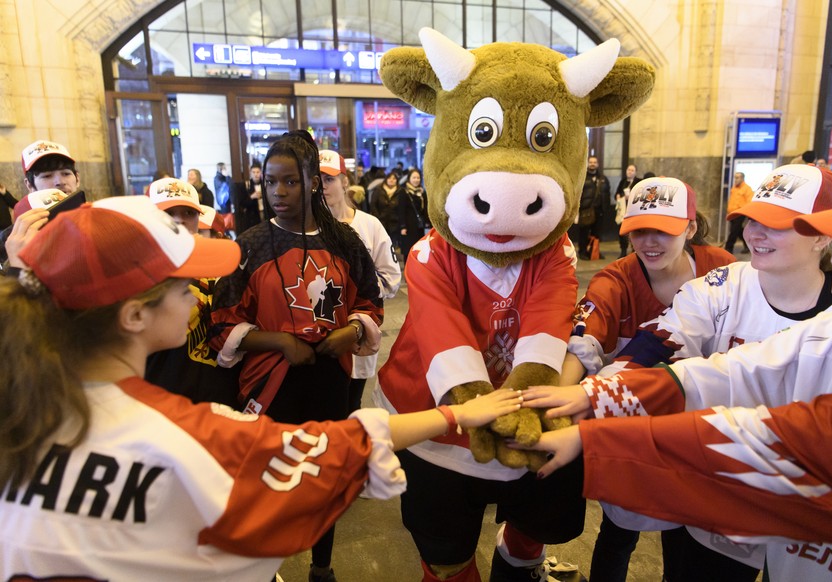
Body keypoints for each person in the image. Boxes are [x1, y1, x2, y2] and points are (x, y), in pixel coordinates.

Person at [0, 194, 524, 580]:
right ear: (134, 314)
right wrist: (458, 415)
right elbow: (343, 448)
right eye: (184, 286)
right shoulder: (182, 439)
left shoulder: (19, 411)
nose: (196, 296)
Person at [526, 165, 832, 582]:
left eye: (776, 225)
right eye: (752, 220)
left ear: (822, 235)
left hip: (820, 515)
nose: (754, 234)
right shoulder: (722, 283)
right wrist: (592, 397)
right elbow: (659, 349)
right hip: (719, 489)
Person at [209, 131, 383, 582]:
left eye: (290, 181)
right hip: (268, 385)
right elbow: (223, 322)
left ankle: (322, 567)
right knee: (265, 482)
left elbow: (370, 300)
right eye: (270, 182)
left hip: (329, 378)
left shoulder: (344, 241)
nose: (278, 192)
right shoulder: (248, 246)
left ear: (311, 182)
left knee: (322, 476)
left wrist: (351, 330)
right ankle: (259, 569)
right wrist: (280, 341)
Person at [560, 176, 734, 582]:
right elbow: (583, 337)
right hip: (633, 422)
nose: (649, 241)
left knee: (687, 535)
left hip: (703, 430)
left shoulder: (724, 270)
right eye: (638, 230)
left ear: (690, 228)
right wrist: (560, 397)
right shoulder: (615, 279)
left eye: (663, 230)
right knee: (620, 531)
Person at [143, 177, 239, 407]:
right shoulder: (139, 273)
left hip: (219, 391)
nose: (180, 219)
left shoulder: (221, 262)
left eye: (188, 212)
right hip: (164, 395)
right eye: (169, 212)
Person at [320, 149, 401, 412]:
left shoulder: (370, 225)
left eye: (329, 178)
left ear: (345, 181)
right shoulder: (306, 228)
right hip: (319, 336)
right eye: (315, 179)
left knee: (351, 405)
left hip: (359, 333)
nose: (322, 186)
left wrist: (354, 293)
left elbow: (391, 278)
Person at [578, 156, 610, 259]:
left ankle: (594, 251)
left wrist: (606, 207)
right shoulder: (582, 177)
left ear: (597, 164)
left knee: (596, 233)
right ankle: (582, 252)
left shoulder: (603, 178)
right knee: (584, 232)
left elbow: (607, 193)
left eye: (594, 162)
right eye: (590, 162)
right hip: (586, 209)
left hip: (599, 210)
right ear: (588, 163)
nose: (592, 164)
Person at [370, 170, 405, 253]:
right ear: (386, 179)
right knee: (381, 245)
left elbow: (402, 207)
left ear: (397, 180)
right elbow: (373, 205)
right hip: (381, 221)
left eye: (394, 178)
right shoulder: (379, 190)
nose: (391, 180)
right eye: (389, 178)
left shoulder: (400, 191)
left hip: (395, 223)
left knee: (393, 246)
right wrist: (377, 217)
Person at [399, 167, 429, 263]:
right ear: (409, 179)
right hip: (408, 225)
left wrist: (428, 222)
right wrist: (402, 226)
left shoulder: (422, 192)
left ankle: (416, 270)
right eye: (414, 178)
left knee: (418, 248)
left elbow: (425, 209)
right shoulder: (404, 192)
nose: (416, 180)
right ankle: (408, 270)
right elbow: (401, 210)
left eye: (418, 178)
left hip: (419, 226)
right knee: (408, 249)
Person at [613, 164, 641, 258]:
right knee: (622, 231)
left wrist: (631, 197)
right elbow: (617, 193)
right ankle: (623, 250)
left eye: (632, 170)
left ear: (635, 172)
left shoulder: (638, 182)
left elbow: (640, 196)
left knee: (634, 231)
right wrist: (618, 195)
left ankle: (634, 250)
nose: (630, 172)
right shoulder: (623, 181)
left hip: (633, 211)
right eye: (628, 170)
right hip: (622, 211)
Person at [723, 171, 753, 254]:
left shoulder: (747, 189)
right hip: (732, 213)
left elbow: (749, 202)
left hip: (740, 213)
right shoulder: (734, 188)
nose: (735, 179)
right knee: (739, 231)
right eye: (735, 177)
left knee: (733, 231)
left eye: (737, 177)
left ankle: (728, 248)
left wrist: (745, 213)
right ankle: (747, 246)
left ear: (742, 178)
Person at [233, 160, 265, 236]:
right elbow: (241, 203)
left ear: (261, 173)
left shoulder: (266, 185)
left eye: (257, 172)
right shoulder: (246, 185)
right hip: (252, 217)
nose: (256, 174)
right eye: (253, 172)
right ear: (250, 173)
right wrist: (251, 197)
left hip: (265, 214)